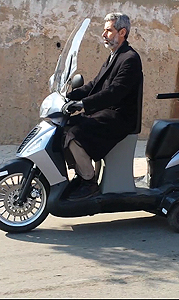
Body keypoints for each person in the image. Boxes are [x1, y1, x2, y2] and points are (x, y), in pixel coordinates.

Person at [61, 12, 144, 200]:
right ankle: (82, 175)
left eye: (108, 30)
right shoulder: (114, 56)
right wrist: (69, 96)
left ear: (122, 32)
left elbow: (115, 92)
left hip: (120, 117)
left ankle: (89, 182)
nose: (103, 34)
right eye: (104, 30)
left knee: (74, 135)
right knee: (65, 128)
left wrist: (83, 104)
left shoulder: (130, 58)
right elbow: (95, 85)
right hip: (106, 112)